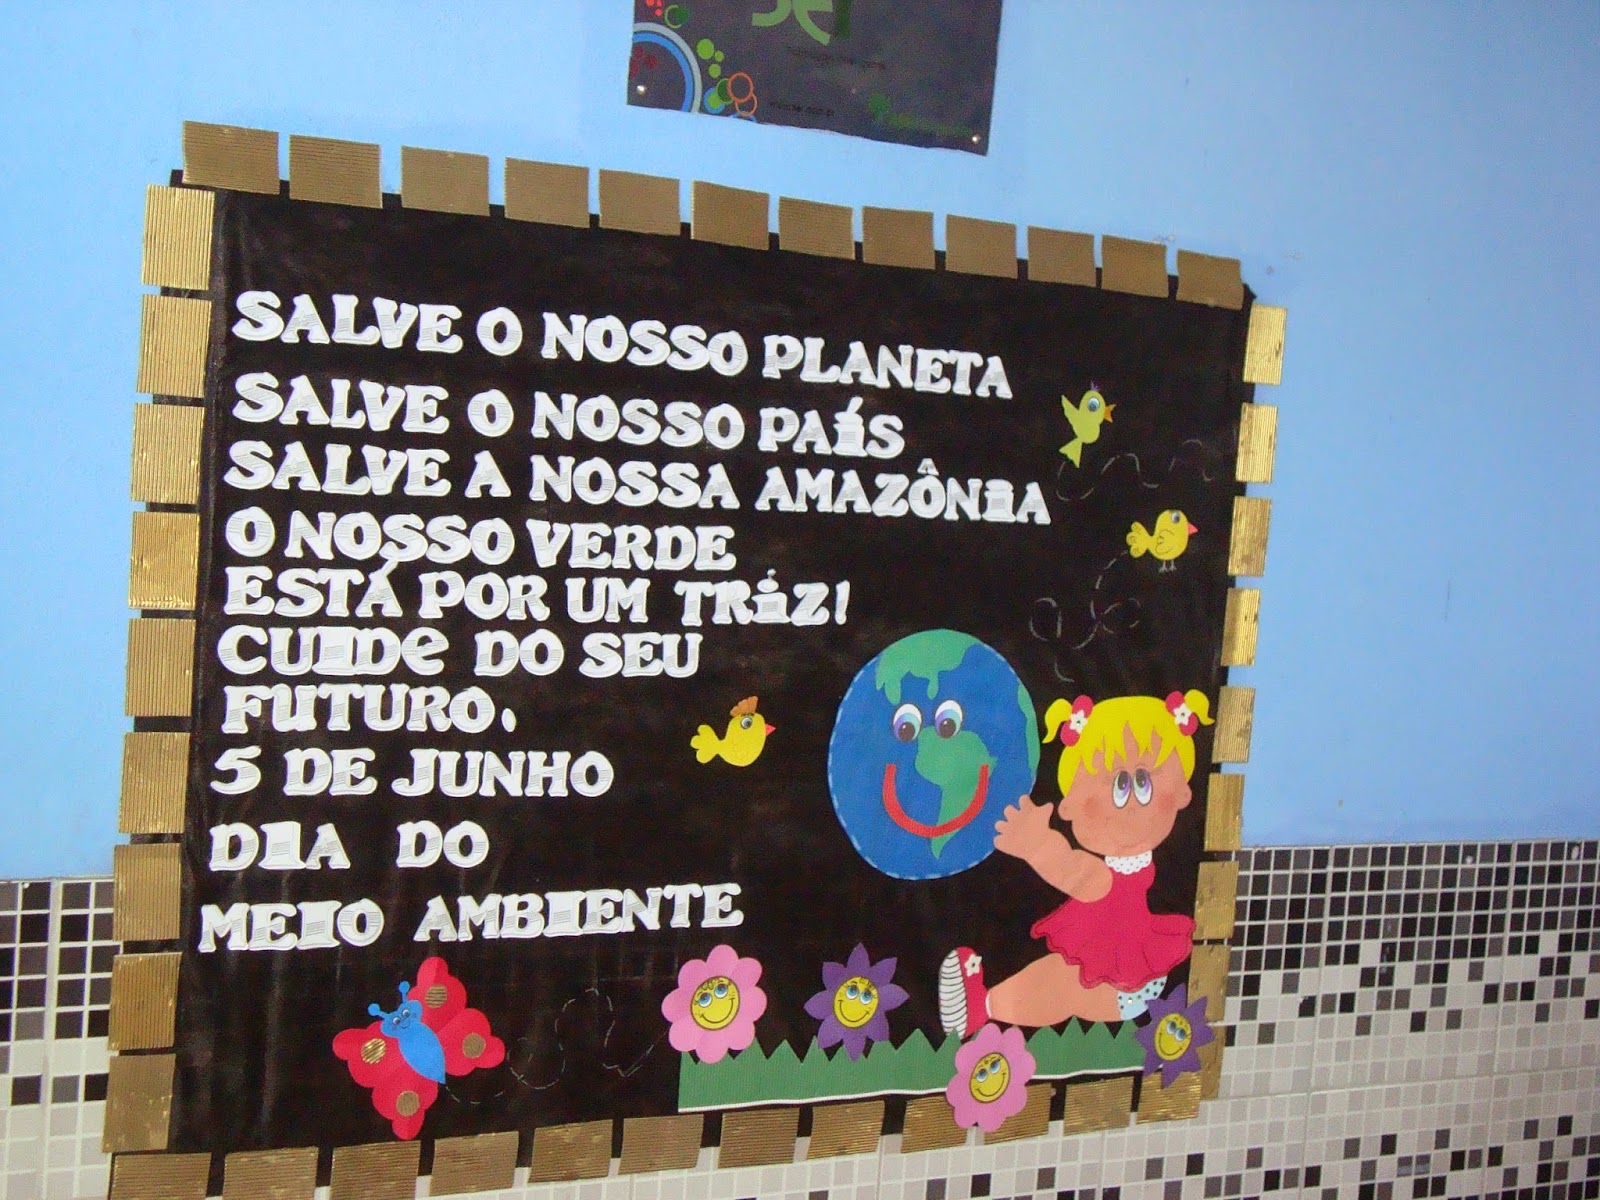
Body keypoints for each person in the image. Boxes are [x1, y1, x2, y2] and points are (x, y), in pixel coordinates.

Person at [939, 690, 1212, 1036]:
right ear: (1068, 806)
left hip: (1123, 984)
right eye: (1119, 785)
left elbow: (1070, 868)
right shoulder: (1127, 869)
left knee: (1057, 984)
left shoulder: (1109, 877)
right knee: (1056, 979)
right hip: (1128, 982)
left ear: (1182, 793)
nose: (1130, 803)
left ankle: (982, 1008)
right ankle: (983, 1006)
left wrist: (1035, 843)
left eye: (1142, 782)